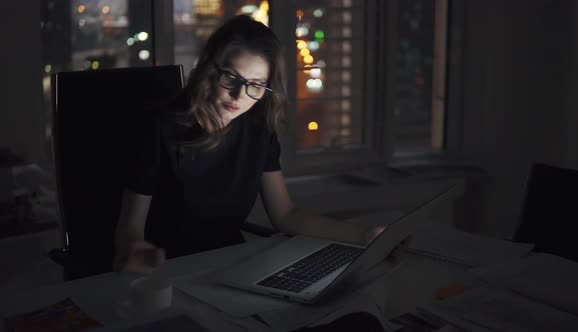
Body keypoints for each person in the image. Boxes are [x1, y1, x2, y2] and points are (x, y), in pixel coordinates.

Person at [113, 15, 399, 274]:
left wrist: (366, 236)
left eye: (256, 85)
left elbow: (286, 215)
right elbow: (130, 232)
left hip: (227, 268)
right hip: (167, 273)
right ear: (209, 70)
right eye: (232, 78)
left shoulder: (258, 128)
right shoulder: (161, 129)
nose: (240, 96)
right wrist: (134, 252)